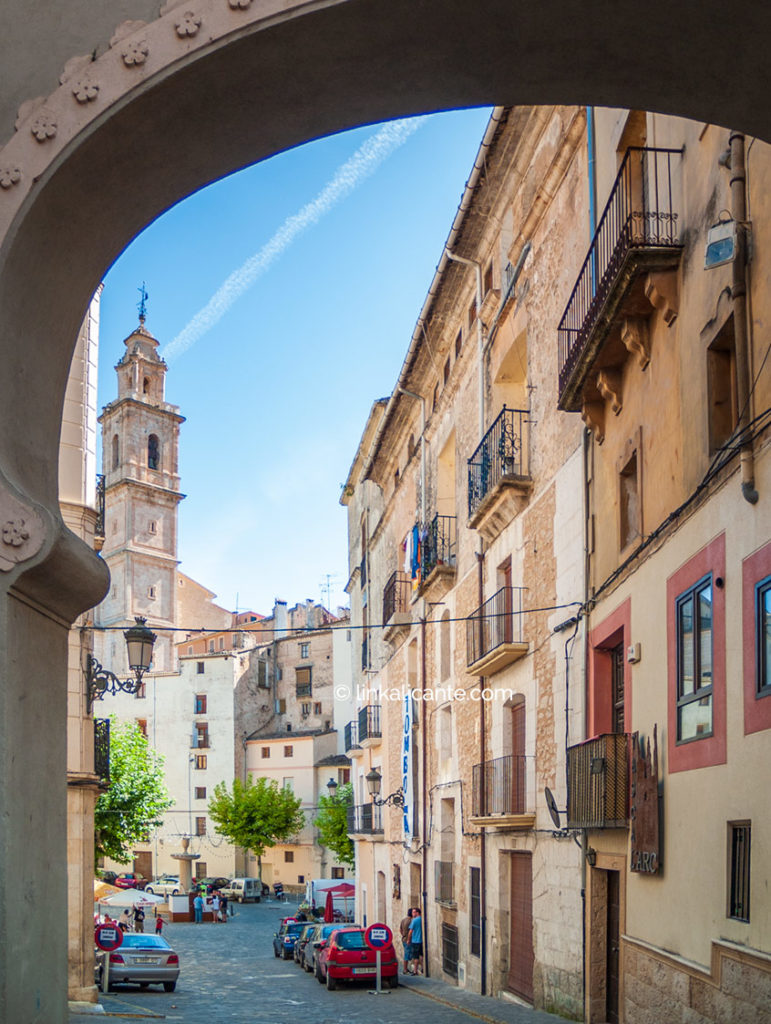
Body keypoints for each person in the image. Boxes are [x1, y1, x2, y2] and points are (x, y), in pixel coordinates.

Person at [408, 907, 423, 975]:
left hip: (415, 941)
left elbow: (410, 931)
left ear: (417, 913)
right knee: (422, 955)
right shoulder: (422, 919)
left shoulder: (414, 920)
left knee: (416, 957)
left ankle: (415, 971)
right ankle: (423, 968)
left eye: (414, 912)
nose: (412, 913)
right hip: (421, 941)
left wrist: (408, 940)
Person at [399, 907, 413, 974]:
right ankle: (405, 969)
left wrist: (403, 935)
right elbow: (411, 931)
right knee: (407, 954)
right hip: (408, 940)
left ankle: (407, 968)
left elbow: (400, 930)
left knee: (407, 953)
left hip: (404, 938)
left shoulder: (403, 920)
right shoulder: (411, 921)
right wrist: (408, 938)